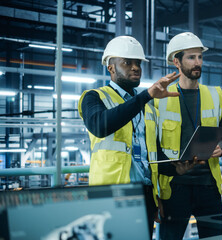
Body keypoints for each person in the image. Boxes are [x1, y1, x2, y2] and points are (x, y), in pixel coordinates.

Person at [78, 35, 191, 239]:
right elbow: (100, 126)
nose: (135, 67)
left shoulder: (147, 106)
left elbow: (152, 154)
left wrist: (176, 168)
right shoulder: (94, 97)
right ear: (110, 67)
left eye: (138, 63)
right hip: (111, 195)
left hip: (145, 194)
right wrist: (146, 95)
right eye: (127, 62)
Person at [155, 32, 222, 240]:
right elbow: (152, 147)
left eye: (200, 57)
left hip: (209, 188)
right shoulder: (159, 99)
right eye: (191, 57)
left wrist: (221, 148)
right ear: (176, 61)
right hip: (174, 188)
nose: (198, 63)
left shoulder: (216, 95)